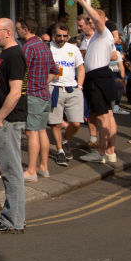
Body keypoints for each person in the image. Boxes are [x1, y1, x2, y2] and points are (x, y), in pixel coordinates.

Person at [0, 18, 27, 235]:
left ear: (8, 32)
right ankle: (13, 217)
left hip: (9, 121)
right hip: (2, 120)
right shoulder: (6, 54)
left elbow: (16, 91)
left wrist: (0, 117)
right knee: (10, 171)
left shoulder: (14, 55)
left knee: (11, 171)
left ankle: (13, 221)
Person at [71, 0, 119, 165]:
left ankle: (101, 153)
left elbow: (98, 20)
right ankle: (110, 151)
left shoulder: (103, 32)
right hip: (99, 77)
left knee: (102, 118)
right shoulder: (97, 37)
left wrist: (82, 1)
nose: (90, 22)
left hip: (99, 78)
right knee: (108, 115)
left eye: (91, 20)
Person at [16, 18, 57, 181]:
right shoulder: (44, 46)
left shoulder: (27, 47)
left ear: (25, 29)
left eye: (18, 28)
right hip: (44, 94)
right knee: (41, 130)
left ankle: (31, 170)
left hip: (32, 95)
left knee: (31, 132)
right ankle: (43, 167)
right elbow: (55, 70)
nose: (17, 31)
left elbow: (20, 71)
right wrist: (42, 82)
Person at [47, 24, 84, 166]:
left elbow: (81, 69)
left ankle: (65, 140)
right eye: (58, 36)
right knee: (55, 123)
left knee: (76, 123)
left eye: (64, 36)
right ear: (53, 36)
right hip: (54, 88)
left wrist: (79, 86)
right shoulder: (47, 48)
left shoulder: (73, 49)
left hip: (72, 89)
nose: (61, 39)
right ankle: (60, 151)